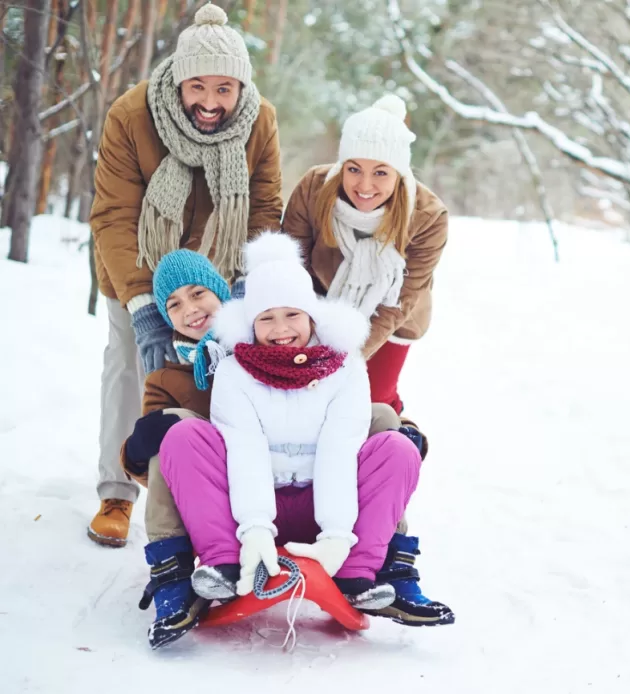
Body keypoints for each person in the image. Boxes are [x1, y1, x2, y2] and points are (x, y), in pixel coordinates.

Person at [120, 248, 417, 648]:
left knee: (386, 423)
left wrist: (405, 434)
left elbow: (348, 435)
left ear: (222, 296)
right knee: (177, 430)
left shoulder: (326, 357)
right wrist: (138, 449)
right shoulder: (169, 376)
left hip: (315, 486)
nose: (190, 309)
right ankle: (180, 574)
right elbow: (165, 469)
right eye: (174, 305)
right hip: (225, 499)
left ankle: (384, 565)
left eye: (197, 294)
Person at [88, 2, 283, 548]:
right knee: (132, 362)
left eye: (225, 90)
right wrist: (144, 306)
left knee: (222, 377)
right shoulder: (132, 114)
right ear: (178, 80)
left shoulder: (259, 119)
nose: (210, 102)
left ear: (241, 88)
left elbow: (265, 206)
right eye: (199, 87)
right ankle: (116, 491)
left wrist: (246, 285)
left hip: (220, 271)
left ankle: (212, 495)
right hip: (140, 266)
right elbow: (113, 215)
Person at [280, 94, 454, 626]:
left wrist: (344, 358)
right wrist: (303, 347)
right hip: (314, 308)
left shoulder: (426, 215)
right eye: (353, 168)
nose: (364, 184)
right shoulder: (314, 187)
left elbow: (397, 302)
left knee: (374, 413)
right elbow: (289, 270)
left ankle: (393, 558)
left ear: (399, 174)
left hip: (387, 322)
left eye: (381, 172)